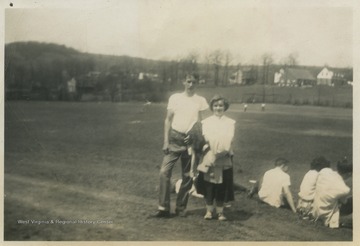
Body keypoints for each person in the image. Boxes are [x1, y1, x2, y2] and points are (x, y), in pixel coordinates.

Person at [153, 73, 209, 218]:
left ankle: (180, 207)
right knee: (164, 172)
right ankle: (163, 208)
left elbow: (203, 124)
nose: (191, 85)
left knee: (188, 175)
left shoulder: (200, 100)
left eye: (194, 82)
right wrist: (166, 141)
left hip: (190, 142)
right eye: (188, 81)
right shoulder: (175, 98)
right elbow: (168, 120)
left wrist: (196, 139)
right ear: (183, 82)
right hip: (174, 139)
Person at [197, 95, 236, 221]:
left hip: (224, 156)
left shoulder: (230, 122)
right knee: (209, 184)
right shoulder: (206, 122)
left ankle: (220, 212)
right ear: (212, 107)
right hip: (210, 155)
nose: (218, 108)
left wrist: (222, 151)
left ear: (225, 107)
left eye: (221, 105)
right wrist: (214, 152)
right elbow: (207, 137)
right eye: (215, 105)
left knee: (222, 185)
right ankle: (209, 211)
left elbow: (229, 138)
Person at [311, 157, 351, 228]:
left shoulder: (325, 172)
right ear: (349, 174)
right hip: (326, 214)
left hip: (315, 210)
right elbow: (344, 202)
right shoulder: (344, 189)